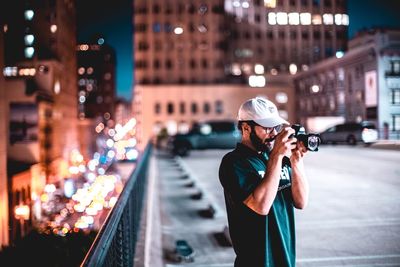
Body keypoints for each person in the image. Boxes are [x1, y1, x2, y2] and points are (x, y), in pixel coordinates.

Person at [219, 96, 309, 267]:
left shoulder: (278, 159)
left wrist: (296, 161)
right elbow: (260, 206)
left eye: (275, 127)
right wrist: (276, 156)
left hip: (286, 259)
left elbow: (301, 201)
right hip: (255, 261)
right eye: (267, 128)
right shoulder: (234, 162)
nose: (274, 134)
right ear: (246, 128)